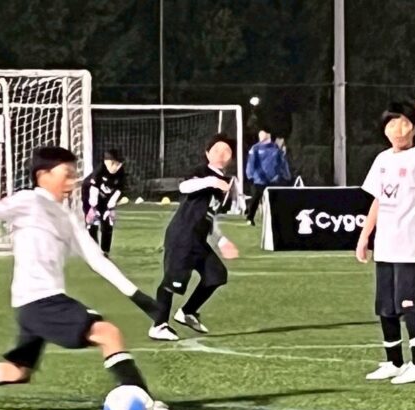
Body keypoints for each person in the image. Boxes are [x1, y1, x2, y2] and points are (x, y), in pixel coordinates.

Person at [0, 146, 180, 410]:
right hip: (40, 300)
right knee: (108, 333)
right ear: (43, 175)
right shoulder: (29, 200)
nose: (72, 182)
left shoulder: (68, 217)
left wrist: (137, 296)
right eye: (66, 174)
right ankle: (145, 402)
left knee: (17, 372)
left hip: (35, 303)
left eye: (74, 175)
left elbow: (97, 259)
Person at [355, 101, 415, 385]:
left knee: (409, 304)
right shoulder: (382, 160)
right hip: (385, 245)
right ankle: (394, 362)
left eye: (404, 123)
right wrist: (365, 236)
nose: (397, 130)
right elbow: (378, 200)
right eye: (391, 124)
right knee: (386, 306)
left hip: (409, 245)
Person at [149, 134, 240, 341]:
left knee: (216, 275)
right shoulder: (202, 172)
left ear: (232, 157)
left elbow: (209, 216)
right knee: (172, 282)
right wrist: (212, 181)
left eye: (226, 151)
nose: (221, 154)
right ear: (207, 153)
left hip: (198, 239)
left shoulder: (224, 184)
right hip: (182, 236)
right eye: (216, 150)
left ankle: (187, 312)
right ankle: (159, 325)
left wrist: (221, 240)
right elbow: (184, 187)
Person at [81, 149, 127, 256]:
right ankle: (93, 250)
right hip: (89, 195)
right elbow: (93, 190)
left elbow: (119, 190)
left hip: (106, 198)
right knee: (93, 222)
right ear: (107, 162)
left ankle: (105, 251)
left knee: (108, 222)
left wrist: (110, 208)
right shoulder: (99, 170)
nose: (116, 167)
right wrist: (93, 208)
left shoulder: (121, 173)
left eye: (118, 164)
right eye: (113, 164)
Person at [244, 129, 288, 225]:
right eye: (261, 135)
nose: (261, 137)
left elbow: (280, 162)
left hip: (273, 179)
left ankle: (275, 219)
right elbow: (251, 163)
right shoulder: (255, 148)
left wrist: (284, 174)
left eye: (264, 135)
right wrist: (250, 174)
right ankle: (250, 217)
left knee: (275, 199)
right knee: (256, 198)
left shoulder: (275, 147)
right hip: (259, 179)